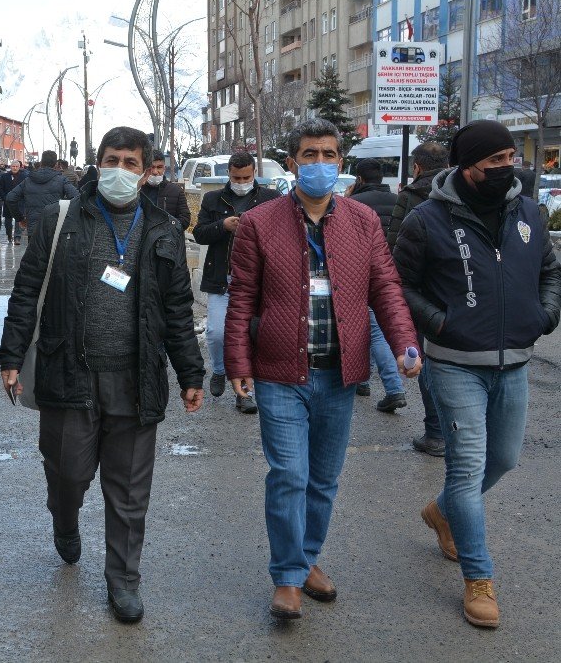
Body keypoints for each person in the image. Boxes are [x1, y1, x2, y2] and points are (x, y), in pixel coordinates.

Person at [0, 126, 204, 624]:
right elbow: (26, 292)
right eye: (112, 160)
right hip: (69, 372)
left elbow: (177, 309)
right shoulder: (59, 220)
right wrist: (10, 356)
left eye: (131, 163)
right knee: (68, 471)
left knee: (130, 490)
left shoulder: (164, 229)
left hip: (136, 379)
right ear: (98, 162)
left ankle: (123, 580)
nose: (120, 171)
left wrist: (190, 372)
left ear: (148, 170)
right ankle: (64, 519)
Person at [224, 118, 420, 620]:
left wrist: (404, 343)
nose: (319, 164)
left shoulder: (362, 222)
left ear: (340, 161)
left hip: (340, 372)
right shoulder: (259, 223)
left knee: (324, 479)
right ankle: (287, 575)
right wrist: (237, 362)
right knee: (289, 473)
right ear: (292, 163)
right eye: (309, 155)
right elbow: (242, 297)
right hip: (278, 372)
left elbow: (386, 289)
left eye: (328, 154)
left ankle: (308, 558)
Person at [393, 120, 561, 629]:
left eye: (511, 158)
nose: (507, 168)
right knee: (466, 469)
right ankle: (478, 578)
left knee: (505, 459)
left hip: (515, 361)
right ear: (467, 167)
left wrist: (545, 315)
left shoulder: (528, 211)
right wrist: (443, 322)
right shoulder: (426, 219)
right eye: (495, 161)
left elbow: (550, 270)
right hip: (455, 363)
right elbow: (402, 283)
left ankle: (442, 512)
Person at [193, 151, 280, 413]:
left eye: (246, 177)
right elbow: (199, 234)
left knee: (249, 336)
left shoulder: (270, 198)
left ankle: (245, 394)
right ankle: (219, 370)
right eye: (235, 177)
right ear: (228, 174)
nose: (241, 181)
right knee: (217, 333)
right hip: (223, 277)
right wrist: (223, 225)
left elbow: (280, 236)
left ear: (255, 173)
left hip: (256, 281)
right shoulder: (213, 198)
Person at [389, 142, 450, 456]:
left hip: (424, 293)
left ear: (417, 167)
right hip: (460, 289)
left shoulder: (411, 196)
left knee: (427, 358)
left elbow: (394, 245)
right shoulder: (463, 190)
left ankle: (437, 433)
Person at [347, 158, 407, 413]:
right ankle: (362, 381)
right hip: (391, 273)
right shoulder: (396, 201)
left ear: (359, 179)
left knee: (372, 331)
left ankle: (394, 388)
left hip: (361, 276)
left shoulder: (353, 205)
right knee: (370, 328)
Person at [5, 150, 78, 244]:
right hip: (55, 228)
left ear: (41, 162)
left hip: (34, 228)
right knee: (54, 258)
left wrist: (20, 219)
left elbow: (10, 198)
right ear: (56, 164)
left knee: (34, 258)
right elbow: (76, 197)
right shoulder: (62, 180)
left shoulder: (28, 180)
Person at [142, 153, 192, 232]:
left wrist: (165, 229)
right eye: (152, 167)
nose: (155, 172)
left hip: (167, 240)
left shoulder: (176, 191)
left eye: (159, 167)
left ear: (164, 169)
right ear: (146, 168)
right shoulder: (137, 190)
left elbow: (185, 220)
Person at [0, 159, 28, 245]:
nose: (15, 168)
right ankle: (9, 235)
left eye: (16, 166)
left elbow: (26, 189)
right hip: (8, 202)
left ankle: (17, 237)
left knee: (19, 220)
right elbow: (0, 189)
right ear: (10, 167)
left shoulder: (24, 177)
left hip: (20, 202)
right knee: (8, 221)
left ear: (19, 167)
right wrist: (5, 198)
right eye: (13, 166)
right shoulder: (4, 176)